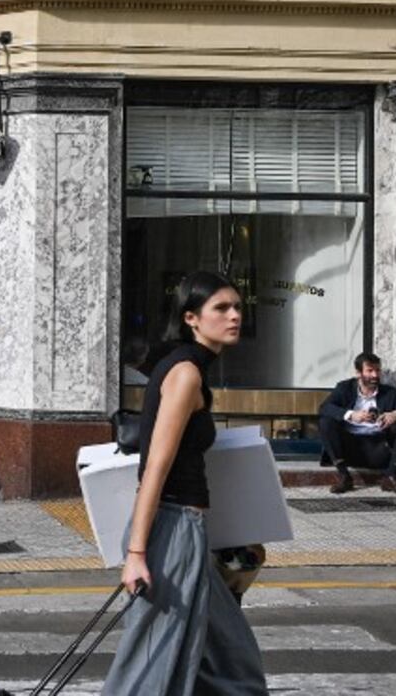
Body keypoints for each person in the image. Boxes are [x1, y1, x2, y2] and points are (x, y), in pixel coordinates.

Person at [103, 270, 267, 695]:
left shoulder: (188, 366)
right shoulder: (186, 373)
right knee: (151, 662)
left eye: (237, 307)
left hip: (186, 532)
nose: (234, 316)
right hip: (170, 531)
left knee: (232, 660)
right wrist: (137, 552)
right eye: (222, 309)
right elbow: (155, 466)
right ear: (192, 318)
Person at [318, 352, 396, 496]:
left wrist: (395, 414)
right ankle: (344, 476)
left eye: (377, 370)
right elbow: (325, 408)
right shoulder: (345, 388)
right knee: (326, 422)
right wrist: (351, 415)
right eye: (370, 370)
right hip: (350, 448)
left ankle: (391, 476)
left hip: (379, 448)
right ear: (358, 373)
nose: (375, 375)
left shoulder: (388, 392)